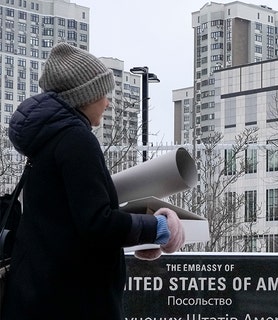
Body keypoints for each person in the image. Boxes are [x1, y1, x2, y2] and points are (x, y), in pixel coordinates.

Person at [1, 42, 185, 319]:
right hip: (74, 301)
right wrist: (159, 227)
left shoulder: (47, 141)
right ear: (83, 96)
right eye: (102, 93)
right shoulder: (76, 140)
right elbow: (97, 224)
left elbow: (67, 223)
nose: (107, 102)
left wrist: (139, 238)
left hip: (39, 294)